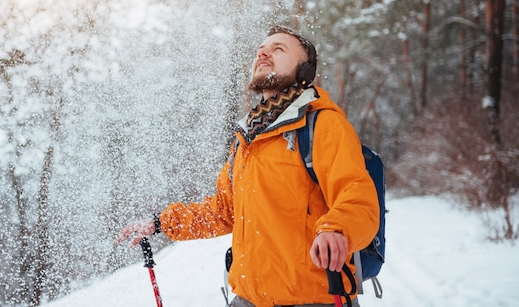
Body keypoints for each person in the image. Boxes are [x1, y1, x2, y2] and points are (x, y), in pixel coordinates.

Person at [116, 25, 380, 307]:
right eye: (261, 50)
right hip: (248, 300)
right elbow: (223, 212)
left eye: (279, 49)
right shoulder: (247, 140)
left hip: (313, 300)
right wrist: (161, 223)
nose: (263, 52)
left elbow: (357, 196)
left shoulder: (323, 125)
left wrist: (335, 229)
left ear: (304, 71)